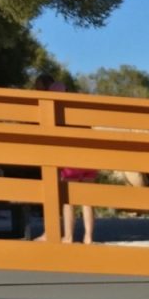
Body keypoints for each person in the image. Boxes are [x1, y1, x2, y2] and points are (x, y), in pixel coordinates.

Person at [43, 79, 97, 244]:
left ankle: (69, 236)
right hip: (88, 157)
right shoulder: (78, 108)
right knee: (87, 201)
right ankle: (88, 236)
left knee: (68, 201)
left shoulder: (56, 112)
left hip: (71, 160)